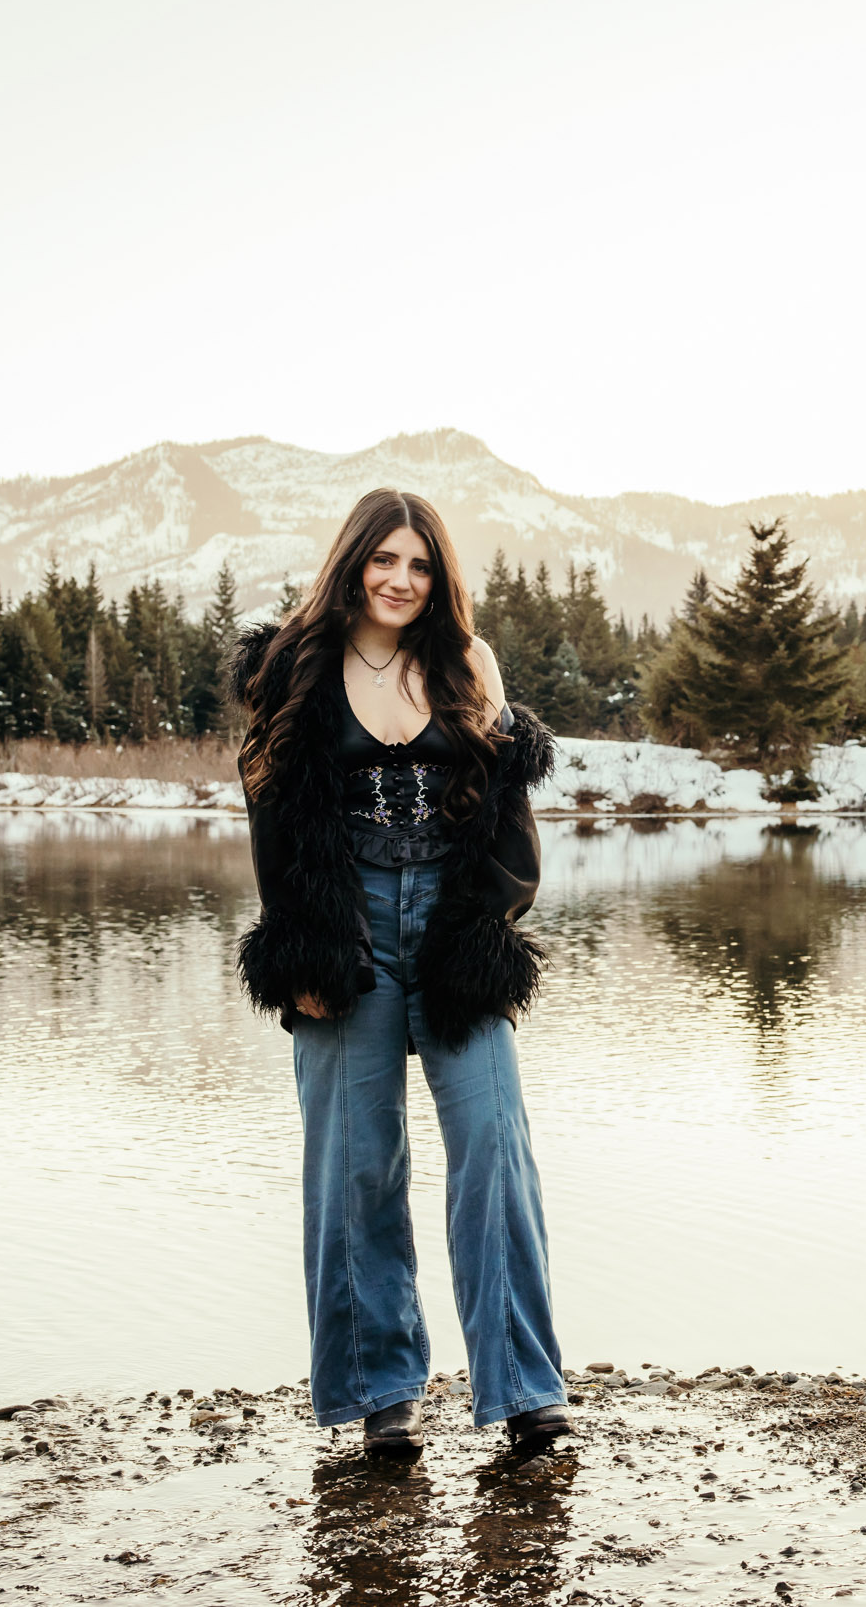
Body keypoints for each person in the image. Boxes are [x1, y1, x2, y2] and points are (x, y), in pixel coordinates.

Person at [229, 486, 571, 1456]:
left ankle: (523, 1385)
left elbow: (508, 816)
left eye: (420, 565)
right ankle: (382, 1391)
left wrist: (489, 922)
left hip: (452, 928)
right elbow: (274, 821)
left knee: (494, 1147)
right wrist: (298, 946)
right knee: (355, 1165)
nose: (401, 579)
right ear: (354, 562)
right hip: (347, 929)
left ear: (438, 577)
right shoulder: (296, 665)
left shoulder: (467, 662)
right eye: (385, 560)